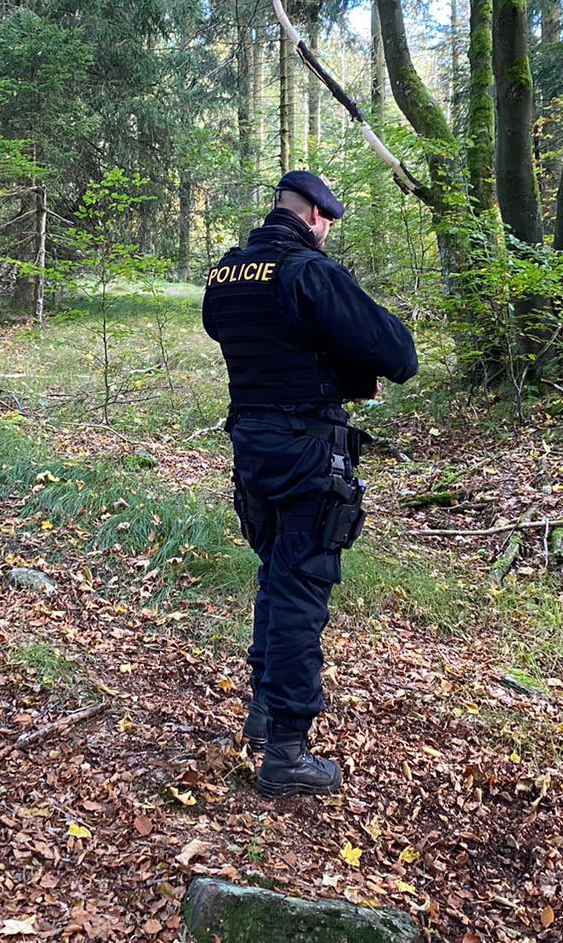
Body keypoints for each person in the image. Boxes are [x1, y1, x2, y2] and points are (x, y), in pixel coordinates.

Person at [201, 171, 417, 799]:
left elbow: (243, 337)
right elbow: (399, 354)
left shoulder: (227, 274)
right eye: (330, 221)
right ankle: (288, 753)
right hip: (306, 450)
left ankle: (264, 718)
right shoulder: (311, 272)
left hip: (251, 442)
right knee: (300, 592)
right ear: (317, 215)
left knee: (275, 576)